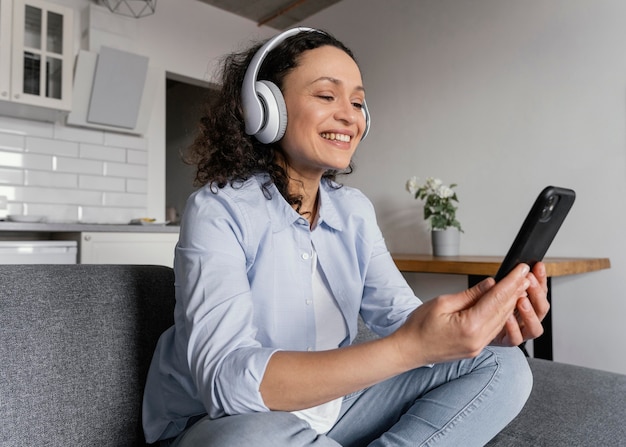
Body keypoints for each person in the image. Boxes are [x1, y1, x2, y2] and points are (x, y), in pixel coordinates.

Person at [142, 27, 549, 447]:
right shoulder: (218, 210)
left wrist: (467, 331)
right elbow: (227, 384)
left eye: (357, 102)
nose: (350, 115)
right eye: (326, 96)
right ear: (265, 107)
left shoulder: (354, 210)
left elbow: (401, 317)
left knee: (503, 364)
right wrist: (409, 349)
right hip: (226, 422)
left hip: (334, 409)